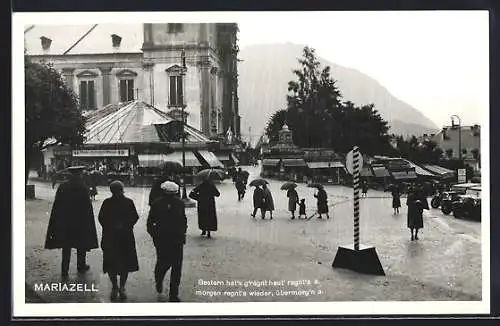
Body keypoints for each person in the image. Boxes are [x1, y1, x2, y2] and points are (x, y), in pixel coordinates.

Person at [44, 166, 99, 279]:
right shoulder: (83, 187)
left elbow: (57, 206)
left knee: (66, 246)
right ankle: (81, 265)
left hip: (65, 222)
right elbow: (87, 208)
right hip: (80, 223)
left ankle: (64, 270)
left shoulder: (63, 186)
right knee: (81, 245)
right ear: (79, 174)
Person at [98, 181, 139, 302]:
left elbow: (101, 218)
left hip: (110, 237)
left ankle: (115, 286)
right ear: (122, 189)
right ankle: (122, 287)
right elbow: (135, 217)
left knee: (111, 263)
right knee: (125, 263)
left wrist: (110, 227)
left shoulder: (107, 203)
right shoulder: (128, 202)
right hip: (125, 237)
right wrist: (126, 226)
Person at [147, 181, 187, 302]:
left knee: (162, 262)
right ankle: (173, 294)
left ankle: (159, 279)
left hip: (162, 239)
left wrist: (154, 235)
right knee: (176, 267)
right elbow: (183, 220)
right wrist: (183, 232)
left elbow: (150, 222)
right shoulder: (180, 203)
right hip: (177, 239)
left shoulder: (156, 203)